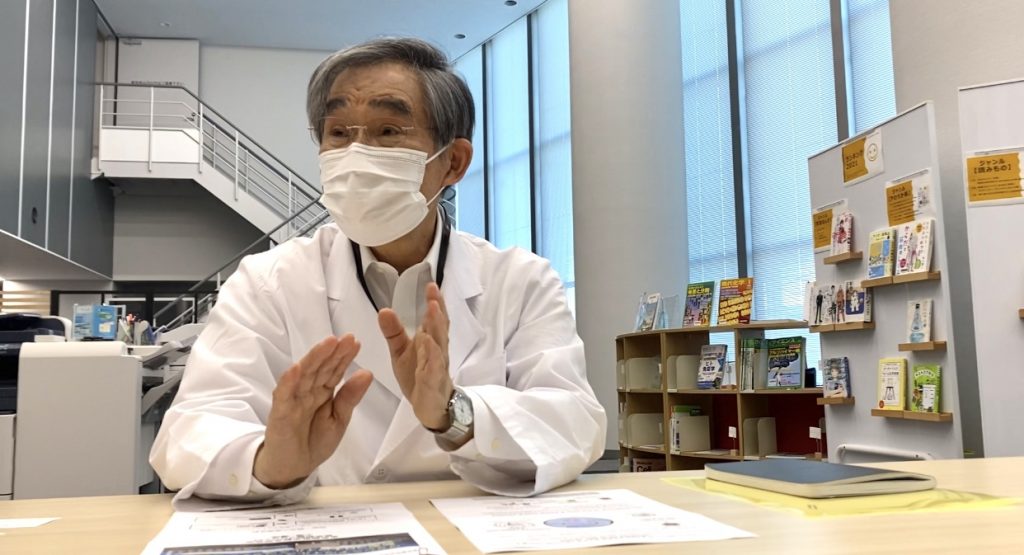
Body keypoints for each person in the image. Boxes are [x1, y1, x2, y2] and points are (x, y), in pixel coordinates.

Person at [150, 37, 606, 504]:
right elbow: (190, 428)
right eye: (339, 133)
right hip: (325, 532)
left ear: (453, 162)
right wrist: (269, 463)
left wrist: (455, 414)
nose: (357, 154)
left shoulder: (520, 280)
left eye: (388, 131)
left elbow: (574, 424)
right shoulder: (268, 280)